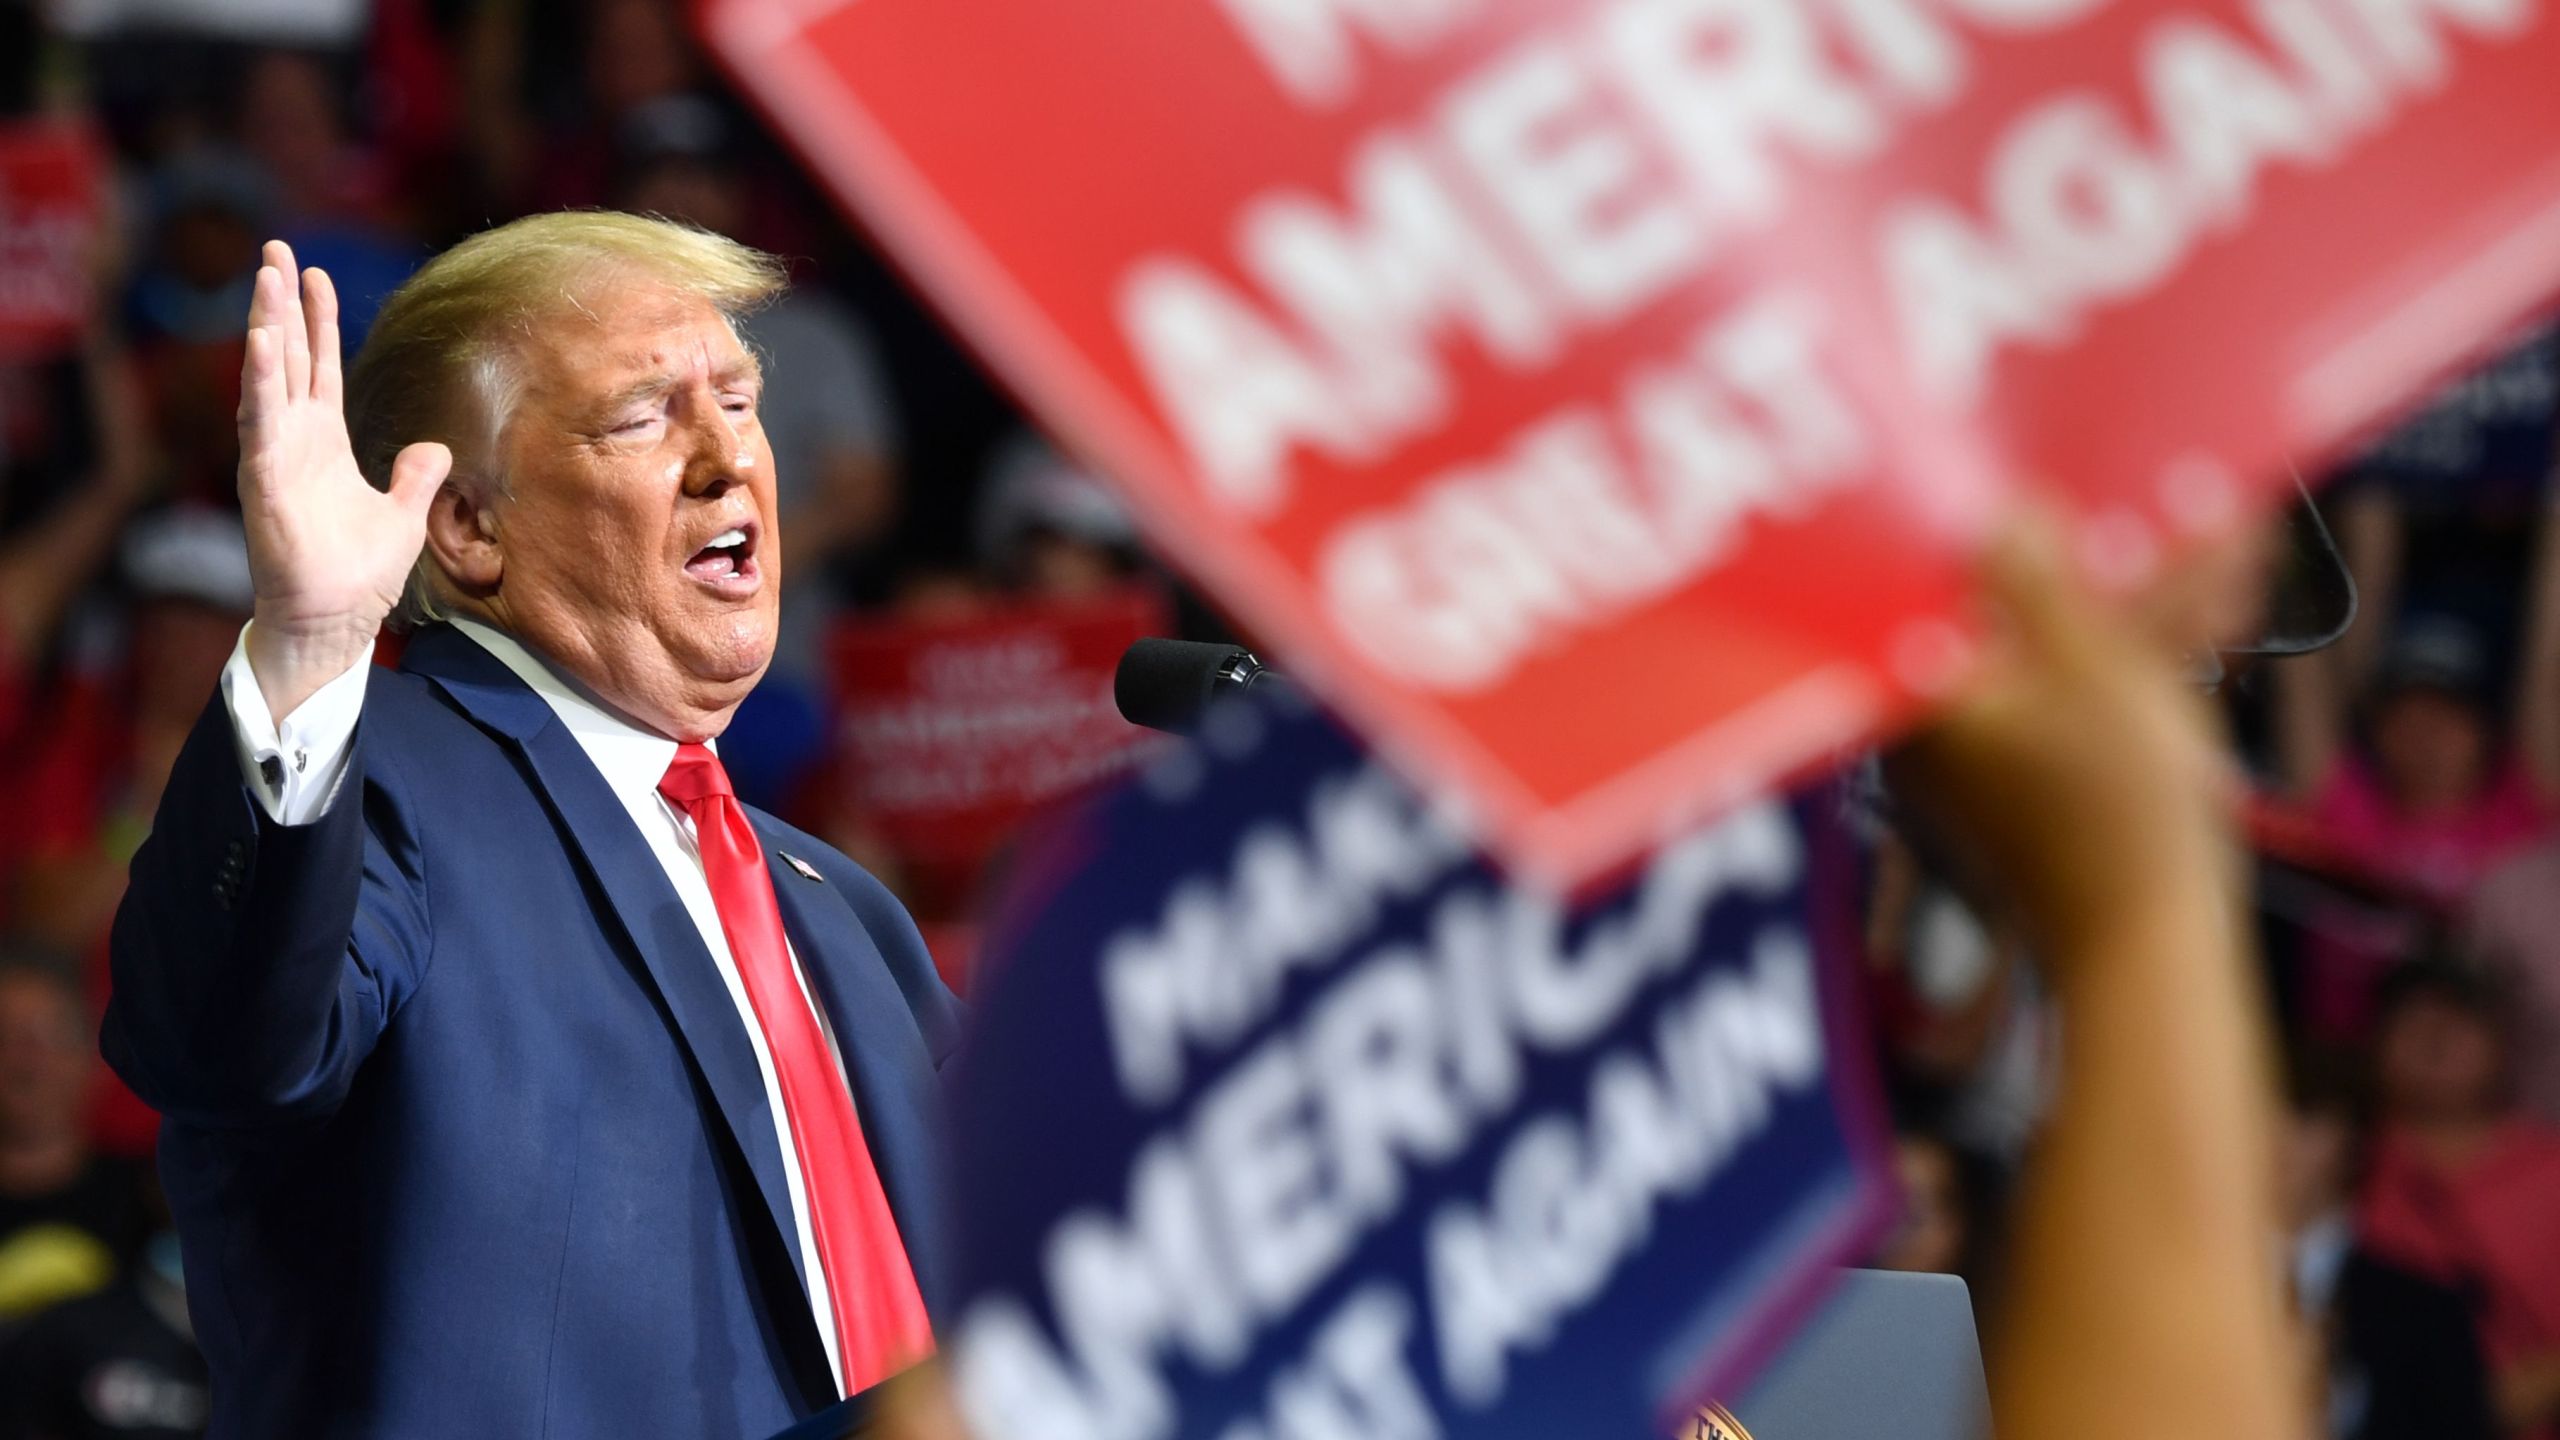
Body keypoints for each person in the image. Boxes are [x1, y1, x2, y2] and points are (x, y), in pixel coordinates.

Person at [103, 219, 962, 1438]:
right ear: (466, 526)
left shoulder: (841, 904)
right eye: (644, 418)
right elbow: (220, 1045)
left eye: (739, 399)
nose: (729, 458)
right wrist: (311, 653)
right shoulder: (381, 783)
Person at [2353, 963, 2560, 1438]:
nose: (2434, 1039)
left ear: (2503, 1044)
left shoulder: (2550, 1169)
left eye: (2457, 1019)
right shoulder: (2342, 1165)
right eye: (2410, 1022)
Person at [2278, 1049, 2496, 1440]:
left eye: (2301, 1117)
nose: (2271, 1137)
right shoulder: (2170, 1294)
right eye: (2250, 1113)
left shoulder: (2425, 1310)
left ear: (2351, 1139)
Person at [0, 955, 151, 1325]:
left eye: (50, 1036)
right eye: (4, 1037)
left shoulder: (154, 1199)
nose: (28, 1063)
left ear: (95, 1059)